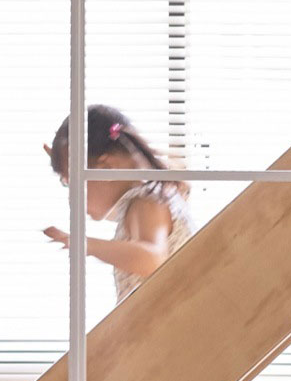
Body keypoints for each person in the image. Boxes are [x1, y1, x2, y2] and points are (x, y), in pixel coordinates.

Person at [43, 104, 193, 300]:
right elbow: (115, 221)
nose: (73, 200)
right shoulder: (145, 200)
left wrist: (86, 245)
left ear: (107, 168)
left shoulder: (146, 202)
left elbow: (153, 258)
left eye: (73, 184)